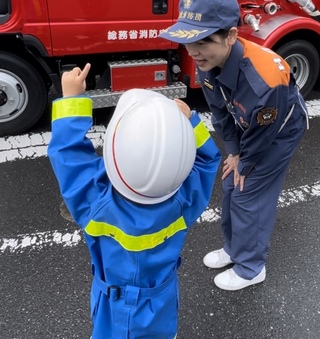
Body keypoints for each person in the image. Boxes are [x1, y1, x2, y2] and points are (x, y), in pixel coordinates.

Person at [48, 64, 221, 338]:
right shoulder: (186, 199)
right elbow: (209, 160)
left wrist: (72, 99)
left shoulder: (95, 203)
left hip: (117, 313)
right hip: (163, 302)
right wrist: (190, 122)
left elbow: (67, 154)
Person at [159, 0, 309, 291]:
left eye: (203, 41)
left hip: (279, 131)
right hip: (248, 125)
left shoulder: (264, 80)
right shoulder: (207, 62)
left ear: (230, 35)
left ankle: (252, 267)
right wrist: (233, 151)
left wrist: (245, 158)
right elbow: (221, 114)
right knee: (230, 181)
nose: (193, 52)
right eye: (188, 41)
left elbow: (265, 131)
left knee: (248, 192)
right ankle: (233, 249)